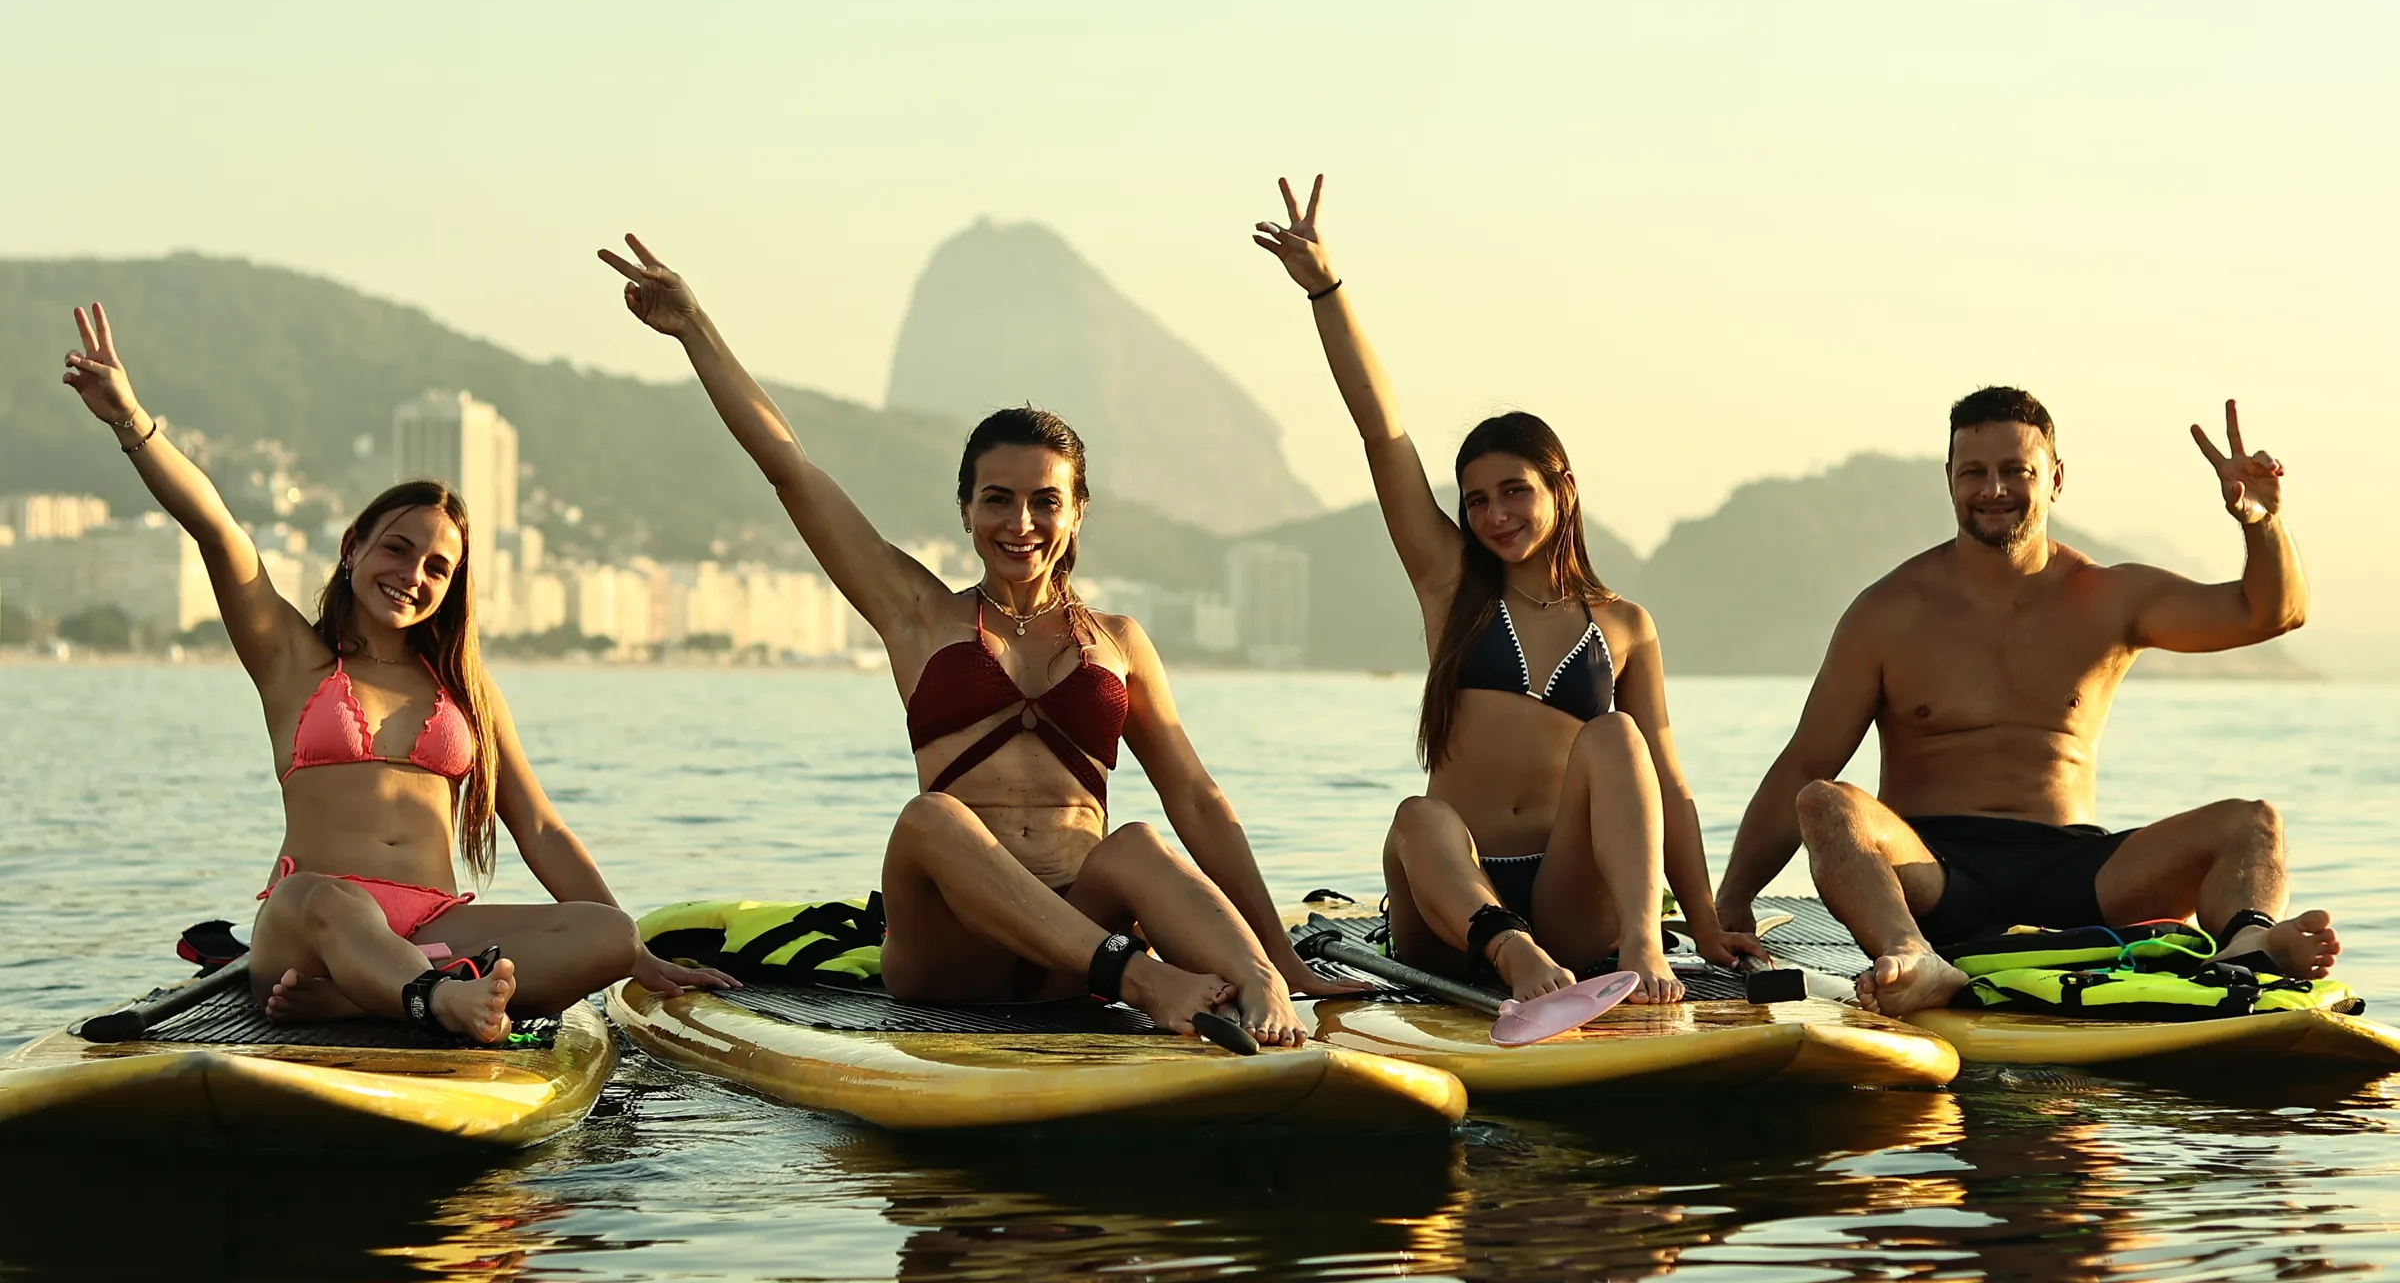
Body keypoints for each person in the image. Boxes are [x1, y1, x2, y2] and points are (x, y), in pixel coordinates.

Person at [599, 235, 1360, 1045]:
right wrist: (694, 328)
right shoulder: (917, 615)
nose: (1020, 523)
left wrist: (1278, 951)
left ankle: (1262, 982)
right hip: (951, 954)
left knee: (1138, 841)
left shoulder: (1119, 641)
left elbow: (1198, 802)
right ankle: (1147, 980)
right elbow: (791, 469)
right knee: (931, 818)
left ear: (1077, 512)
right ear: (965, 510)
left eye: (1045, 501)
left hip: (1072, 942)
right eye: (997, 499)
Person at [57, 304, 732, 1042]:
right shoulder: (292, 660)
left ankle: (361, 998)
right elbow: (219, 531)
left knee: (605, 932)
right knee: (328, 898)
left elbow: (541, 828)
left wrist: (633, 954)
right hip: (308, 926)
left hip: (435, 928)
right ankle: (435, 999)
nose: (412, 575)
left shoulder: (465, 690)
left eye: (437, 567)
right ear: (353, 547)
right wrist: (130, 421)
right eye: (397, 549)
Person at [1251, 176, 1767, 1004]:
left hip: (1568, 897)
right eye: (1477, 500)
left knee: (1619, 738)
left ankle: (1643, 946)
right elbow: (1382, 431)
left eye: (1514, 492)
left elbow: (1666, 787)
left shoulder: (1625, 625)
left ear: (1562, 488)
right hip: (1453, 904)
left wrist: (1703, 923)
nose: (1494, 515)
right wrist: (1326, 290)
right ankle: (1512, 955)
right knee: (1417, 817)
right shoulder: (1449, 581)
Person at [1713, 385, 2334, 1016]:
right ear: (1949, 480)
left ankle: (2250, 943)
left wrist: (2263, 522)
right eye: (1974, 473)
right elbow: (1805, 762)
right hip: (1934, 874)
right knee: (1824, 802)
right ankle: (1912, 956)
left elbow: (2270, 613)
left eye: (2016, 471)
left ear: (2056, 479)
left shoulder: (2108, 598)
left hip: (2077, 870)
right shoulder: (1888, 613)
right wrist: (1733, 899)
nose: (1993, 489)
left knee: (2252, 822)